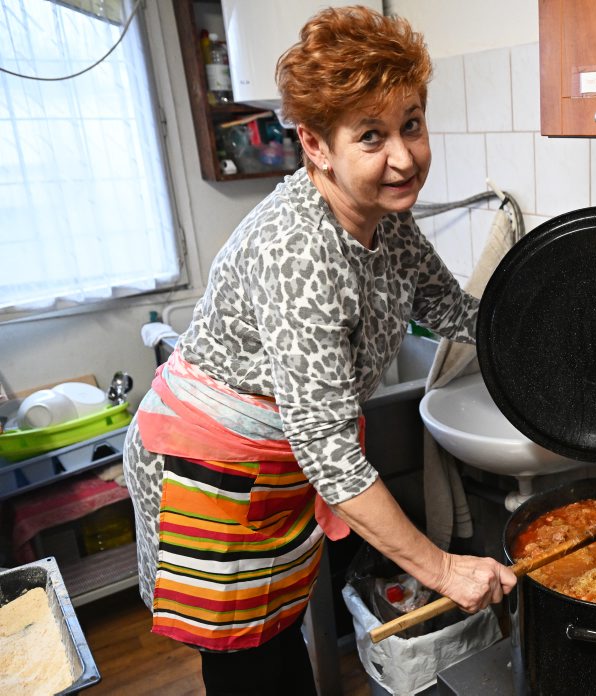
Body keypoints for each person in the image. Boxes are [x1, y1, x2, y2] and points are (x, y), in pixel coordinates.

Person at [121, 6, 517, 694]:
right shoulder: (299, 250)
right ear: (315, 143)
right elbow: (331, 452)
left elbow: (449, 308)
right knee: (248, 665)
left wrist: (549, 328)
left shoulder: (385, 221)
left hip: (278, 466)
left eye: (411, 126)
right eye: (372, 136)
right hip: (211, 472)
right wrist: (444, 570)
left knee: (278, 643)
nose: (403, 156)